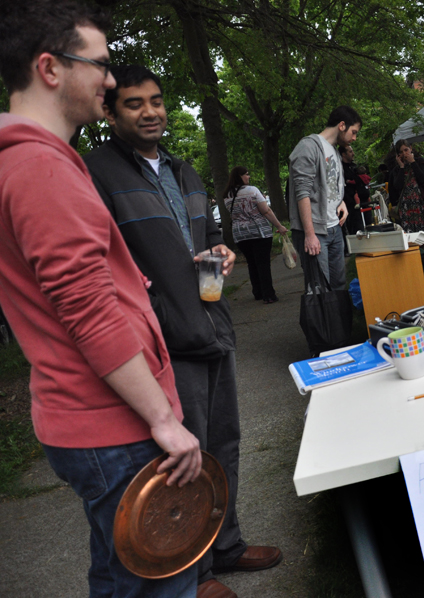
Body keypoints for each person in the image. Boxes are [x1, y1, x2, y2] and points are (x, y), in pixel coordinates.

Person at [0, 3, 202, 596]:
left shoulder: (29, 161)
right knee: (161, 583)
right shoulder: (41, 168)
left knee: (117, 579)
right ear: (50, 68)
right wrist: (163, 420)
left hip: (90, 419)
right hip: (112, 423)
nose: (110, 81)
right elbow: (87, 310)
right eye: (100, 65)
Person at [84, 65, 282, 598]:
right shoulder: (97, 172)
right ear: (109, 113)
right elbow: (100, 263)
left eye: (156, 100)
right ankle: (196, 574)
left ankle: (226, 546)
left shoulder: (184, 169)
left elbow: (211, 231)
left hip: (212, 322)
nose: (150, 112)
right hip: (163, 340)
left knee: (225, 443)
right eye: (134, 103)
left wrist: (222, 251)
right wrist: (153, 305)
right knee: (185, 457)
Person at [288, 105, 359, 292]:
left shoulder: (334, 150)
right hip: (315, 231)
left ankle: (338, 313)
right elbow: (302, 193)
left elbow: (328, 186)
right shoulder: (308, 147)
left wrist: (340, 202)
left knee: (339, 285)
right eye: (353, 132)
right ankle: (322, 314)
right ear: (342, 125)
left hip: (334, 227)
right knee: (319, 289)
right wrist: (310, 235)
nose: (354, 138)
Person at [223, 166, 289, 304]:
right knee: (263, 263)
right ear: (240, 176)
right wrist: (279, 226)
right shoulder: (252, 190)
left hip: (240, 235)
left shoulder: (227, 195)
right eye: (246, 174)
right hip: (259, 232)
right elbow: (266, 211)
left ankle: (257, 292)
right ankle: (269, 295)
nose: (249, 177)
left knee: (252, 263)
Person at [388, 138, 424, 243]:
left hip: (422, 202)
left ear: (410, 148)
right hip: (406, 206)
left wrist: (413, 162)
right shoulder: (396, 169)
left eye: (406, 150)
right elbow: (397, 186)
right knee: (411, 234)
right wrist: (401, 167)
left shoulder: (420, 161)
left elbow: (423, 178)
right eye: (401, 152)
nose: (404, 154)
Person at [338, 144, 371, 235]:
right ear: (343, 154)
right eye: (350, 151)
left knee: (370, 227)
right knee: (358, 230)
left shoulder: (354, 167)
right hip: (352, 206)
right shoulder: (341, 169)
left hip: (364, 202)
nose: (353, 153)